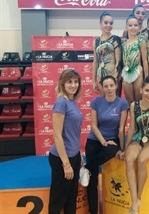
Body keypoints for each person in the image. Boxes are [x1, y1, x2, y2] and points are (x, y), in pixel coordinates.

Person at [85, 75, 129, 214]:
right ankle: (93, 211)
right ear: (102, 88)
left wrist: (122, 148)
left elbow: (121, 129)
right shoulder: (96, 102)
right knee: (92, 182)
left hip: (113, 140)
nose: (109, 89)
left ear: (116, 86)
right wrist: (103, 141)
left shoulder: (122, 103)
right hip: (95, 140)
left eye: (111, 85)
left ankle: (86, 167)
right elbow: (93, 124)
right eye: (106, 86)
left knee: (111, 151)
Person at [125, 77, 149, 214]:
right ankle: (134, 200)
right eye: (147, 90)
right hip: (138, 137)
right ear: (141, 90)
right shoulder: (134, 105)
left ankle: (137, 199)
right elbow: (132, 128)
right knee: (129, 159)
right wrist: (125, 148)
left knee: (141, 160)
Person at [48, 69, 83, 214]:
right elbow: (57, 135)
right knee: (58, 199)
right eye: (69, 82)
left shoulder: (72, 101)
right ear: (62, 83)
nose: (73, 85)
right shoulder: (61, 102)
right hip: (62, 158)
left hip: (73, 156)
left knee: (71, 197)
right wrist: (66, 164)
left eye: (75, 82)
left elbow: (73, 133)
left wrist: (78, 154)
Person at [92, 11, 122, 95]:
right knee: (104, 102)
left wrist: (115, 77)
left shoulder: (115, 39)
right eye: (106, 23)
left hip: (113, 74)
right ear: (100, 23)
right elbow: (95, 62)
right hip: (101, 75)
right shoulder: (96, 42)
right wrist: (93, 81)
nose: (108, 25)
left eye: (111, 23)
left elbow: (118, 61)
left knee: (115, 102)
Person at [122, 15, 149, 103]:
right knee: (129, 101)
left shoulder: (141, 41)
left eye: (135, 25)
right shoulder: (123, 44)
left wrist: (147, 77)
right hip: (126, 73)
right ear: (126, 27)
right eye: (130, 25)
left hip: (138, 72)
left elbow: (145, 61)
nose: (133, 28)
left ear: (138, 27)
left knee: (139, 100)